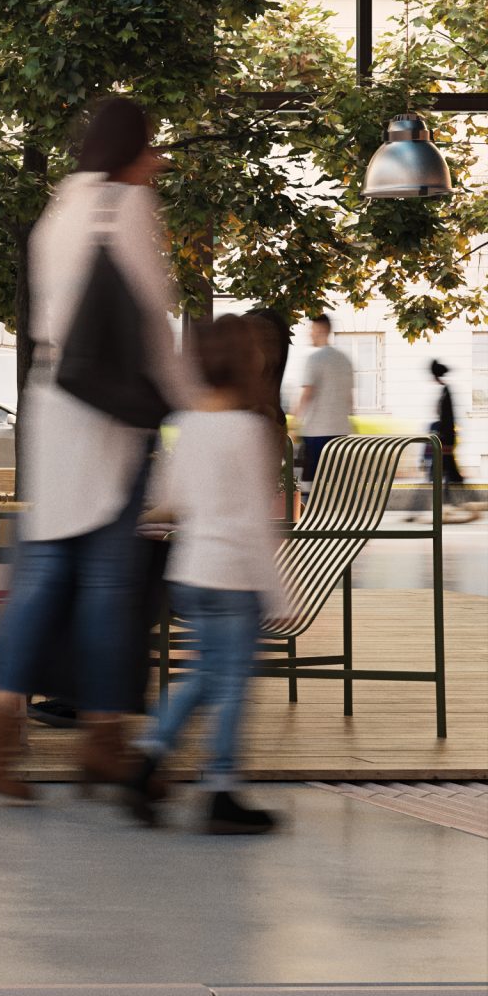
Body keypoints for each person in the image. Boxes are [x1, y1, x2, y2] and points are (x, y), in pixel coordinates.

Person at [0, 96, 197, 799]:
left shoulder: (57, 212)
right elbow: (151, 324)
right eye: (151, 147)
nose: (156, 161)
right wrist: (198, 402)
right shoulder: (123, 208)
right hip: (109, 421)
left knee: (44, 574)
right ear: (129, 150)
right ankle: (104, 738)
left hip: (56, 410)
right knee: (107, 582)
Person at [124, 315, 290, 835]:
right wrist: (280, 592)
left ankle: (148, 758)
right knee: (233, 684)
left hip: (191, 572)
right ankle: (220, 790)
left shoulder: (189, 425)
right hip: (234, 574)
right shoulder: (250, 429)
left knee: (204, 675)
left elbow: (171, 501)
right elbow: (256, 521)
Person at [291, 313, 356, 485]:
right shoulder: (345, 360)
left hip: (316, 431)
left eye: (311, 330)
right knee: (337, 481)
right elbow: (350, 400)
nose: (309, 334)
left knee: (310, 482)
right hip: (341, 431)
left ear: (321, 330)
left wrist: (294, 425)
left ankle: (311, 511)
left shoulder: (314, 359)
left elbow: (307, 394)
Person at [429, 358, 475, 523]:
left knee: (449, 472)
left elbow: (448, 419)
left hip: (446, 439)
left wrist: (447, 443)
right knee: (449, 473)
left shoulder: (446, 392)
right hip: (446, 438)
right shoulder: (445, 391)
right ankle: (456, 503)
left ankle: (459, 503)